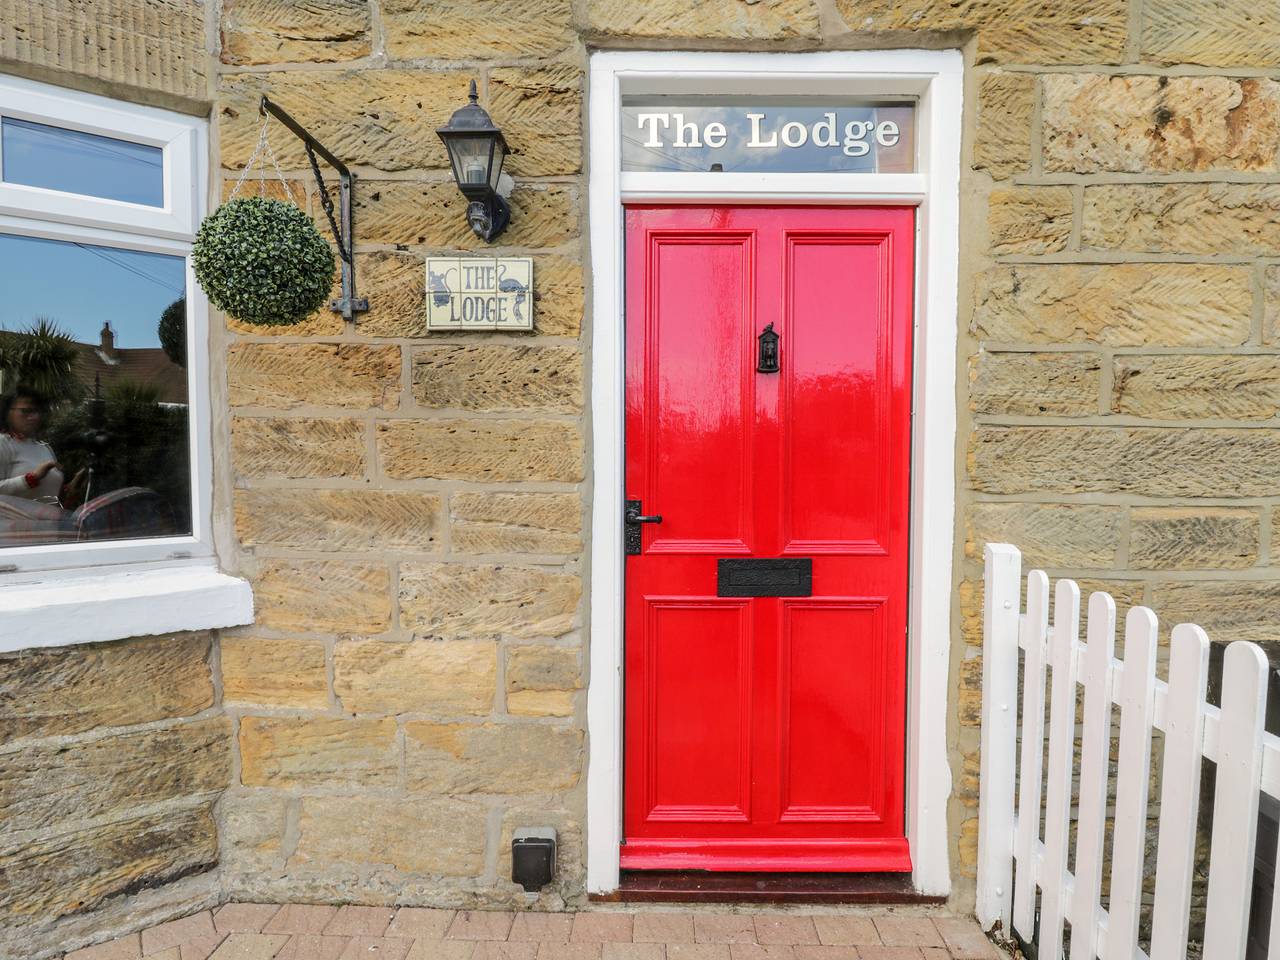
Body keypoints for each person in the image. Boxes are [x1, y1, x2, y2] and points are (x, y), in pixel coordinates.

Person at [0, 388, 86, 508]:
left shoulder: (44, 447)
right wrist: (31, 478)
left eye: (37, 411)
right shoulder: (4, 442)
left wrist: (71, 489)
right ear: (7, 413)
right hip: (14, 526)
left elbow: (52, 501)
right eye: (26, 411)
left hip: (47, 525)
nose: (33, 417)